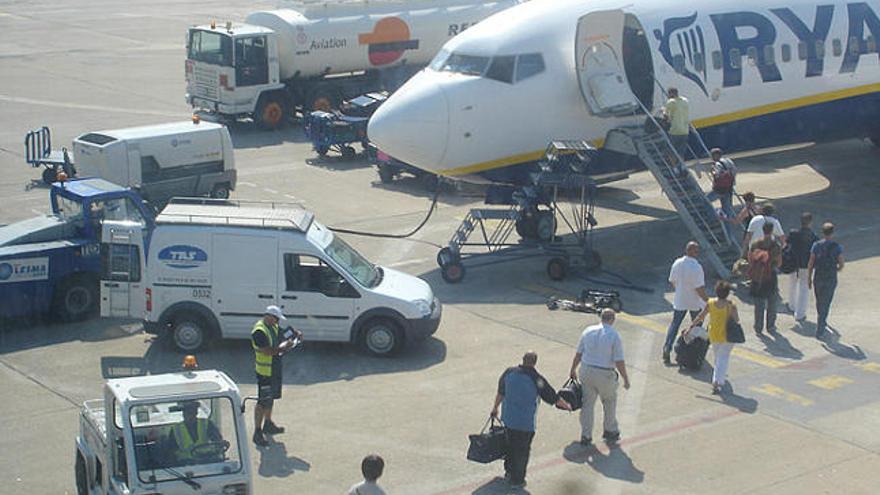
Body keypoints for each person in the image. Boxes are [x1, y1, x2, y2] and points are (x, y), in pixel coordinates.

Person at [491, 351, 570, 488]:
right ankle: (517, 480)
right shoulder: (536, 378)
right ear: (535, 362)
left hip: (508, 419)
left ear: (522, 359)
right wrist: (567, 406)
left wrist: (495, 408)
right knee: (522, 451)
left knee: (510, 446)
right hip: (524, 423)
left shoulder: (509, 372)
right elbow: (552, 397)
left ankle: (509, 471)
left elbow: (500, 392)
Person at [569, 309, 630, 447]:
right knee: (609, 401)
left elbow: (578, 353)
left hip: (586, 370)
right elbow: (619, 360)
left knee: (588, 404)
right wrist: (625, 378)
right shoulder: (614, 335)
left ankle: (586, 435)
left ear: (601, 318)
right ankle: (610, 430)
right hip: (605, 373)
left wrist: (572, 369)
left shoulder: (588, 331)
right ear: (613, 319)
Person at [251, 305, 301, 447]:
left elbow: (282, 333)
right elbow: (267, 351)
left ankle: (268, 423)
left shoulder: (272, 326)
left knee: (270, 398)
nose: (278, 322)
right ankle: (257, 431)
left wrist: (295, 334)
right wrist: (284, 348)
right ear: (269, 317)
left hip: (273, 370)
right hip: (264, 373)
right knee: (262, 401)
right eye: (276, 319)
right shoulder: (259, 332)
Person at [685, 281, 740, 394]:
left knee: (718, 357)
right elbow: (736, 320)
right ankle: (717, 381)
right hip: (727, 335)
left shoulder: (710, 303)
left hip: (714, 334)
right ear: (727, 293)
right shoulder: (731, 305)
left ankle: (717, 379)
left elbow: (701, 316)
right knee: (723, 358)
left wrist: (690, 327)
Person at [663, 241, 708, 365]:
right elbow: (699, 288)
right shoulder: (697, 267)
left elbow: (672, 281)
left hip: (680, 300)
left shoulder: (677, 263)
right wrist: (707, 301)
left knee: (674, 325)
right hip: (695, 302)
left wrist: (680, 290)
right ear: (694, 252)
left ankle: (667, 347)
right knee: (696, 327)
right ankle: (694, 351)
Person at [808, 222, 845, 339]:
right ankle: (821, 325)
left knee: (819, 300)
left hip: (818, 276)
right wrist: (837, 269)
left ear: (822, 232)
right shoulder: (836, 246)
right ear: (832, 233)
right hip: (830, 277)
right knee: (827, 301)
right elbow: (841, 263)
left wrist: (809, 277)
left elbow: (811, 262)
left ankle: (821, 320)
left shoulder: (816, 245)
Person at [166, 401, 224, 466]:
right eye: (187, 411)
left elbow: (218, 441)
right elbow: (171, 451)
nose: (190, 414)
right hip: (185, 464)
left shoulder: (206, 424)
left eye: (192, 411)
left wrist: (216, 449)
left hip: (206, 461)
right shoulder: (176, 429)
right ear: (183, 413)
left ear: (196, 412)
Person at [750, 222, 783, 334]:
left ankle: (758, 327)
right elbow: (779, 263)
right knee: (772, 302)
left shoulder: (755, 244)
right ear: (772, 230)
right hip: (771, 276)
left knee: (759, 304)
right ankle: (771, 326)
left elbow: (750, 259)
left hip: (758, 277)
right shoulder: (776, 245)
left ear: (763, 230)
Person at [785, 212, 819, 322]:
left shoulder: (793, 233)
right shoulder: (814, 237)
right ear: (810, 222)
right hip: (805, 264)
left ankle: (792, 305)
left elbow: (786, 244)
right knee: (804, 288)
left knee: (792, 283)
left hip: (793, 262)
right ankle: (800, 314)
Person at [706, 148, 737, 224]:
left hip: (719, 190)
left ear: (716, 155)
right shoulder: (729, 161)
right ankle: (728, 229)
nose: (711, 158)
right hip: (729, 189)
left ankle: (713, 217)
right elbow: (734, 171)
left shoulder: (717, 164)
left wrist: (712, 171)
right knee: (727, 210)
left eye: (712, 155)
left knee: (705, 201)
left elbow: (717, 175)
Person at [664, 87, 691, 161]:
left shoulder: (671, 102)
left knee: (671, 151)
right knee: (681, 151)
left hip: (675, 131)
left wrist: (663, 111)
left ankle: (674, 167)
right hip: (685, 130)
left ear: (671, 94)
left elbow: (665, 116)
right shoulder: (685, 100)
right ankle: (681, 166)